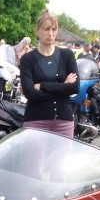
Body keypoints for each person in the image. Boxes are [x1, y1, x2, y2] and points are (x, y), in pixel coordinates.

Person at [19, 9, 79, 137]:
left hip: (63, 120)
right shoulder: (27, 59)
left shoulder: (66, 55)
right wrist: (63, 88)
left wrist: (43, 86)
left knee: (62, 158)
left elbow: (74, 87)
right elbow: (30, 93)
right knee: (35, 158)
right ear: (37, 30)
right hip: (36, 120)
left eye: (54, 29)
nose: (50, 34)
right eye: (46, 29)